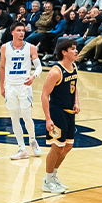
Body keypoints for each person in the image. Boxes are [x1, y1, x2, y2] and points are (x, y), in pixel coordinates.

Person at [40, 39, 80, 194]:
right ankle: (48, 181)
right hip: (57, 112)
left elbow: (74, 86)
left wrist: (76, 102)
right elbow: (44, 95)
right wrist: (48, 118)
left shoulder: (74, 67)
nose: (76, 51)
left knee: (68, 146)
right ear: (64, 52)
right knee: (57, 147)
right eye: (73, 49)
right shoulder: (56, 72)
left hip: (70, 112)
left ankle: (53, 176)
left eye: (76, 49)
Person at [0, 23, 42, 160]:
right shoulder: (5, 47)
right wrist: (2, 86)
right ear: (12, 32)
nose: (22, 33)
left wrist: (33, 76)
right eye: (18, 30)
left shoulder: (31, 47)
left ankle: (33, 141)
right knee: (14, 118)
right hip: (11, 86)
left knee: (27, 116)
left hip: (25, 86)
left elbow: (39, 66)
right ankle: (22, 148)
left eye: (23, 30)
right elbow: (2, 67)